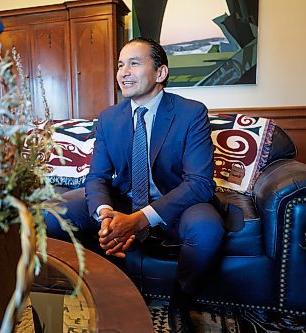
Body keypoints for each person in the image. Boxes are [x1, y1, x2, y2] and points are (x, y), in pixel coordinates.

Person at [45, 37, 226, 333]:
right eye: (119, 64)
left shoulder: (191, 113)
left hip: (176, 202)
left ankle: (180, 304)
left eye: (134, 63)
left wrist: (138, 221)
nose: (123, 72)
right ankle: (112, 282)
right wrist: (106, 218)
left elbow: (200, 183)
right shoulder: (108, 118)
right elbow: (97, 177)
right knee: (51, 215)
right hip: (125, 199)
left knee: (207, 229)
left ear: (160, 73)